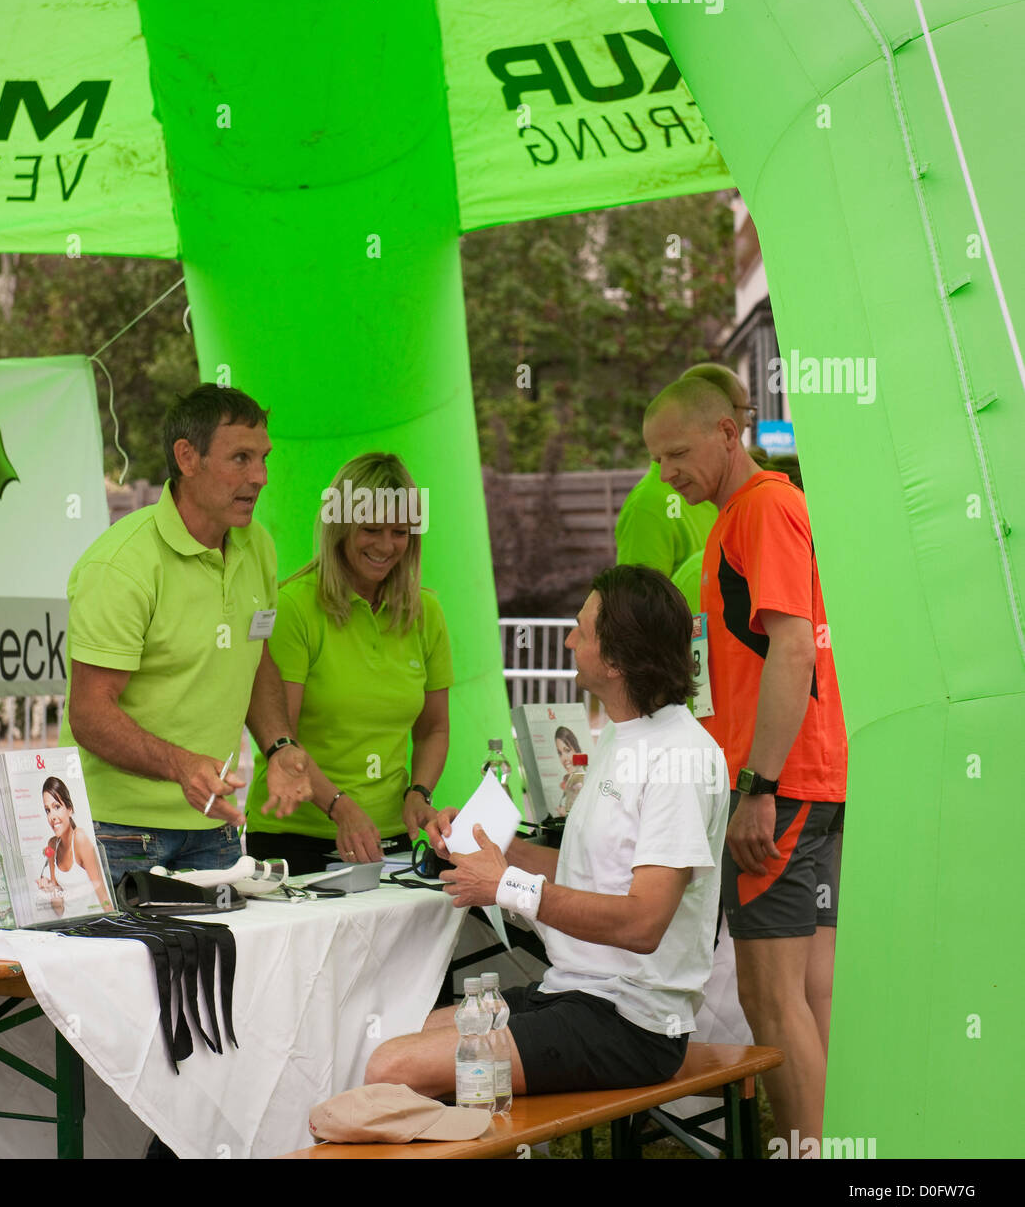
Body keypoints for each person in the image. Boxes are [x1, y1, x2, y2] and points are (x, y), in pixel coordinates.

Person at [365, 565, 728, 1098]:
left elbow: (643, 923)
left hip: (633, 1022)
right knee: (398, 1036)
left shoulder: (680, 756)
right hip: (576, 993)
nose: (566, 639)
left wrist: (505, 885)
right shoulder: (624, 735)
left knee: (390, 1066)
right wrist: (486, 847)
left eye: (581, 629)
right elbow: (586, 875)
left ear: (616, 658)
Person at [642, 376, 847, 1155]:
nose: (667, 474)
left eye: (679, 453)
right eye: (658, 460)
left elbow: (792, 647)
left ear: (728, 434)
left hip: (783, 785)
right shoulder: (763, 508)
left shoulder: (759, 507)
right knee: (811, 991)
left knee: (771, 998)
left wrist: (756, 787)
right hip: (815, 777)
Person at [60, 383, 314, 888]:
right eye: (240, 458)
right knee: (118, 970)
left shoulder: (257, 546)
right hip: (116, 833)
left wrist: (281, 745)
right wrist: (179, 766)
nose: (260, 477)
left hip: (214, 827)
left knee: (216, 970)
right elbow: (89, 714)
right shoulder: (122, 565)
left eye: (263, 458)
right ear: (186, 457)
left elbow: (256, 658)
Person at [243, 453, 452, 875]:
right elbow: (282, 736)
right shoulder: (294, 607)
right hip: (294, 840)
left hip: (389, 840)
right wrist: (339, 806)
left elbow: (434, 729)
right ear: (339, 529)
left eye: (399, 532)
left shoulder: (426, 612)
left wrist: (419, 793)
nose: (385, 545)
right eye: (370, 529)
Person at [615, 363, 755, 575]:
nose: (749, 422)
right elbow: (636, 605)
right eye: (746, 410)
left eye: (678, 454)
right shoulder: (648, 504)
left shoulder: (727, 492)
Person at [38, 776, 111, 915]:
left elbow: (103, 894)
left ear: (69, 809)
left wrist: (114, 926)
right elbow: (59, 909)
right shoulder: (52, 845)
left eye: (57, 807)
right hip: (69, 927)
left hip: (94, 926)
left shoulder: (80, 838)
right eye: (48, 810)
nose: (52, 816)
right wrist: (49, 890)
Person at [552, 723, 585, 818]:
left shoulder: (580, 779)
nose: (564, 758)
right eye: (560, 753)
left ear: (576, 749)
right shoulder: (572, 777)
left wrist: (565, 813)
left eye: (567, 750)